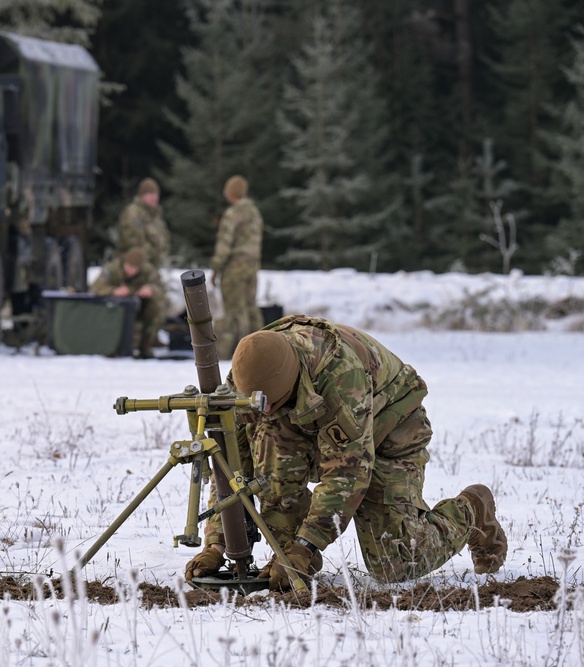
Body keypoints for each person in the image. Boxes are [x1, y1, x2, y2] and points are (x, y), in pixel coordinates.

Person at [185, 315, 508, 590]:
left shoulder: (340, 376)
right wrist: (217, 542)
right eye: (262, 406)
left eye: (272, 405)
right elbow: (230, 466)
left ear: (290, 384)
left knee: (395, 562)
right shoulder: (248, 377)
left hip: (389, 430)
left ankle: (472, 510)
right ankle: (294, 557)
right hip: (311, 423)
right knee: (270, 450)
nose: (265, 411)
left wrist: (306, 543)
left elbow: (347, 474)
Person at [210, 175, 264, 359]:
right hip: (252, 266)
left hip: (235, 267)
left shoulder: (232, 214)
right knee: (250, 307)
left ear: (231, 194)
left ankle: (229, 353)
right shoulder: (255, 213)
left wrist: (216, 268)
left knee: (234, 310)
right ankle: (262, 349)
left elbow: (224, 244)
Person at [91, 247, 165, 358]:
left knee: (156, 307)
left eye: (136, 268)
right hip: (114, 309)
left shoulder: (148, 270)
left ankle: (145, 347)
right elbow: (95, 288)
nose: (132, 271)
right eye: (130, 267)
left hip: (140, 305)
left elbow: (160, 289)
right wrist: (113, 291)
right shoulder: (112, 269)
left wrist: (151, 289)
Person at [117, 178, 171, 267]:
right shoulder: (133, 213)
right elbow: (134, 242)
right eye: (150, 194)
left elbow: (165, 238)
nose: (154, 197)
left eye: (156, 194)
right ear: (142, 196)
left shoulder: (155, 215)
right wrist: (155, 255)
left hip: (156, 264)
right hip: (136, 265)